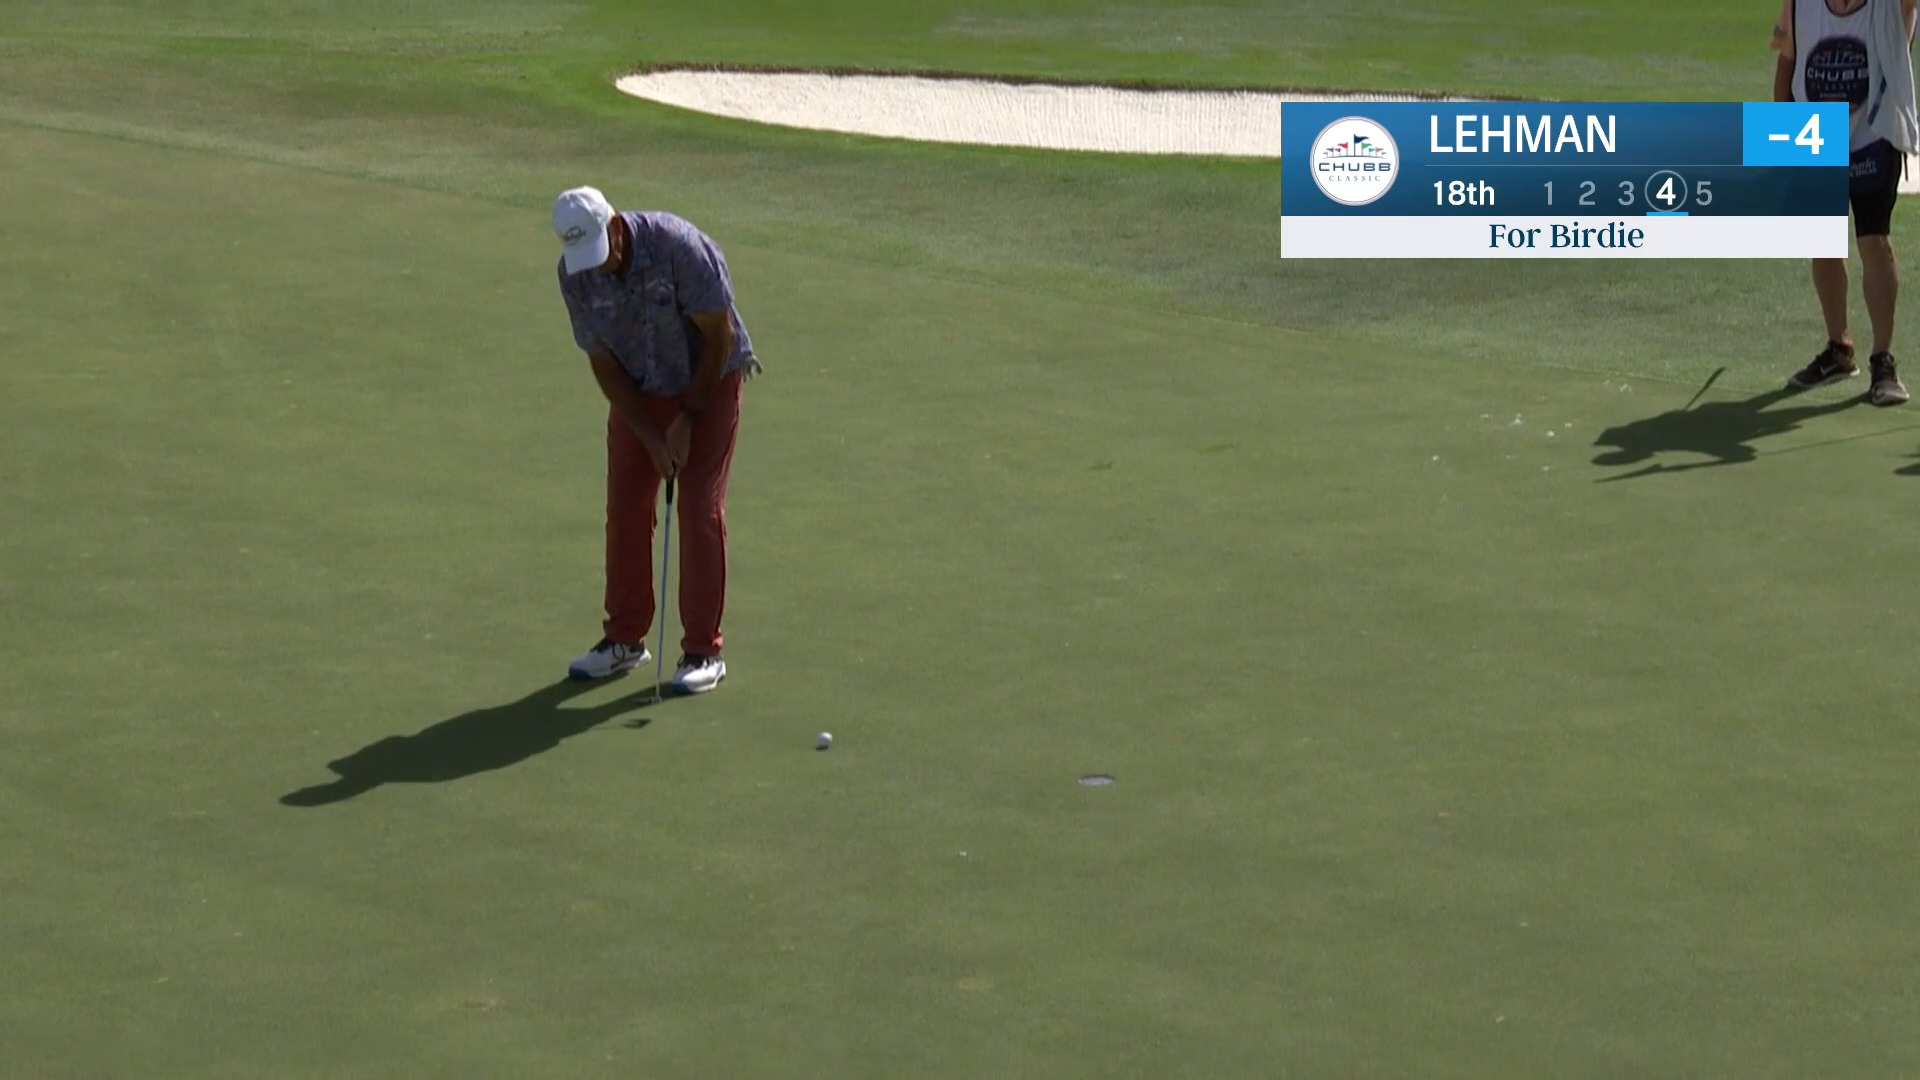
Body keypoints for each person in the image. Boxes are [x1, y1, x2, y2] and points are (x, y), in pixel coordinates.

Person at [551, 186, 760, 692]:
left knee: (698, 508)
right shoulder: (574, 274)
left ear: (615, 226)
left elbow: (721, 335)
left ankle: (703, 651)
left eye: (602, 251)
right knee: (625, 509)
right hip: (640, 390)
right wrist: (649, 436)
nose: (598, 267)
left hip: (707, 382)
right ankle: (624, 640)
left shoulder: (678, 247)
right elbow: (603, 363)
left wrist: (687, 418)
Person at [1774, 0, 1919, 404]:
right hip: (1813, 138)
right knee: (1822, 241)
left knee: (1873, 240)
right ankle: (1839, 349)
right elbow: (1788, 62)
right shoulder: (1800, 4)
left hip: (1873, 137)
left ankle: (1883, 361)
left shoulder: (1891, 7)